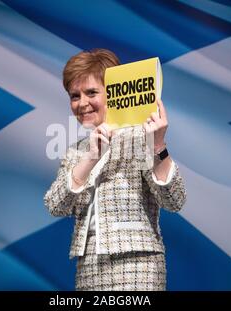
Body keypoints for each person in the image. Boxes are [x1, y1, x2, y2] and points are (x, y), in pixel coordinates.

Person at [44, 48, 186, 291]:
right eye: (74, 95)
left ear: (112, 94)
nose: (82, 103)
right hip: (88, 269)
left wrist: (158, 145)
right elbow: (55, 206)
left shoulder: (140, 136)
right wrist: (90, 158)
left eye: (91, 93)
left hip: (138, 267)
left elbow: (174, 200)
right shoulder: (76, 152)